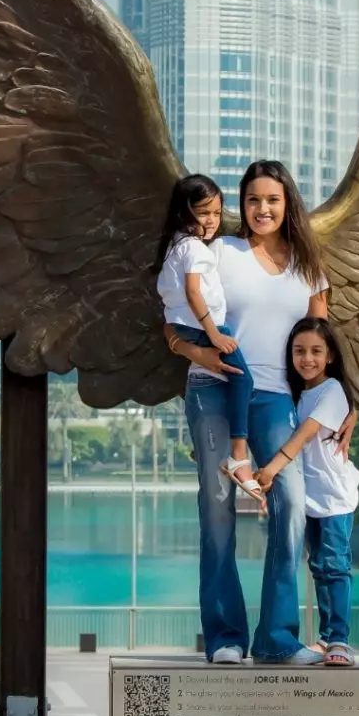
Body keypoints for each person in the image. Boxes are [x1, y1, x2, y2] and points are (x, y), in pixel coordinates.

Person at [164, 160, 356, 666]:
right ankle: (225, 636)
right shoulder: (217, 252)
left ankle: (277, 639)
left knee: (292, 502)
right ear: (241, 205)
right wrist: (201, 355)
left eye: (272, 199)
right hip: (213, 389)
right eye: (253, 200)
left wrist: (346, 405)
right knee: (218, 506)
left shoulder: (310, 267)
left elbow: (321, 348)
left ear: (287, 202)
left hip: (276, 399)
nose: (262, 209)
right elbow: (172, 329)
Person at [255, 317, 359, 667]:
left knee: (334, 566)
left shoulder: (332, 390)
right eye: (299, 351)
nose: (307, 358)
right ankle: (327, 638)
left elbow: (305, 434)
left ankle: (340, 640)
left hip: (332, 497)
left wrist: (271, 468)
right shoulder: (295, 393)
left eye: (316, 351)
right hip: (306, 497)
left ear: (330, 355)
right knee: (317, 567)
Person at [153, 174, 263, 503]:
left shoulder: (175, 244)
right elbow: (193, 291)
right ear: (186, 212)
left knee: (230, 382)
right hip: (204, 330)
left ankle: (205, 446)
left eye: (217, 213)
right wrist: (214, 333)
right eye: (204, 213)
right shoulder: (195, 249)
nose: (212, 220)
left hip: (185, 329)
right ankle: (239, 458)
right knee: (243, 381)